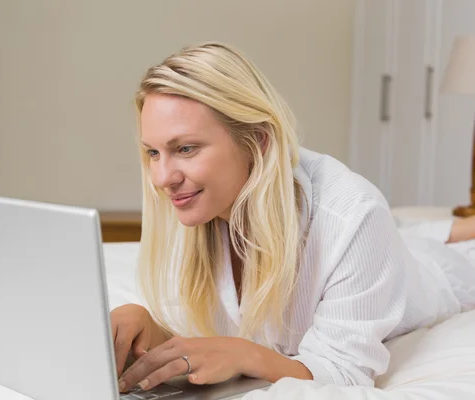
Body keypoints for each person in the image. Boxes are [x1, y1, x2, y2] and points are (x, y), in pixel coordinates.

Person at [110, 41, 475, 392]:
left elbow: (345, 371)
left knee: (443, 249)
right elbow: (197, 335)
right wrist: (148, 328)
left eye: (185, 148)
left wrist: (249, 355)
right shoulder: (193, 202)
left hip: (439, 275)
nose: (162, 178)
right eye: (153, 153)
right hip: (392, 238)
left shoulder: (353, 214)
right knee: (409, 230)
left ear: (258, 140)